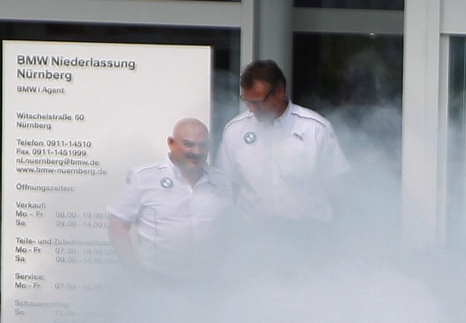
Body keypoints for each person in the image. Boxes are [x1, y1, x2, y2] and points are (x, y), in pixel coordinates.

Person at [217, 59, 350, 227]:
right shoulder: (235, 130)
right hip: (254, 232)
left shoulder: (315, 128)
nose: (251, 108)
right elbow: (228, 185)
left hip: (308, 230)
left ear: (279, 92)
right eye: (247, 101)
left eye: (258, 102)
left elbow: (336, 186)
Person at [106, 117, 232, 280]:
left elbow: (228, 229)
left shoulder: (221, 181)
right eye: (189, 144)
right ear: (171, 143)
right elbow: (117, 225)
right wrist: (135, 272)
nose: (197, 152)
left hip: (207, 283)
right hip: (157, 280)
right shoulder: (144, 178)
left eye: (202, 145)